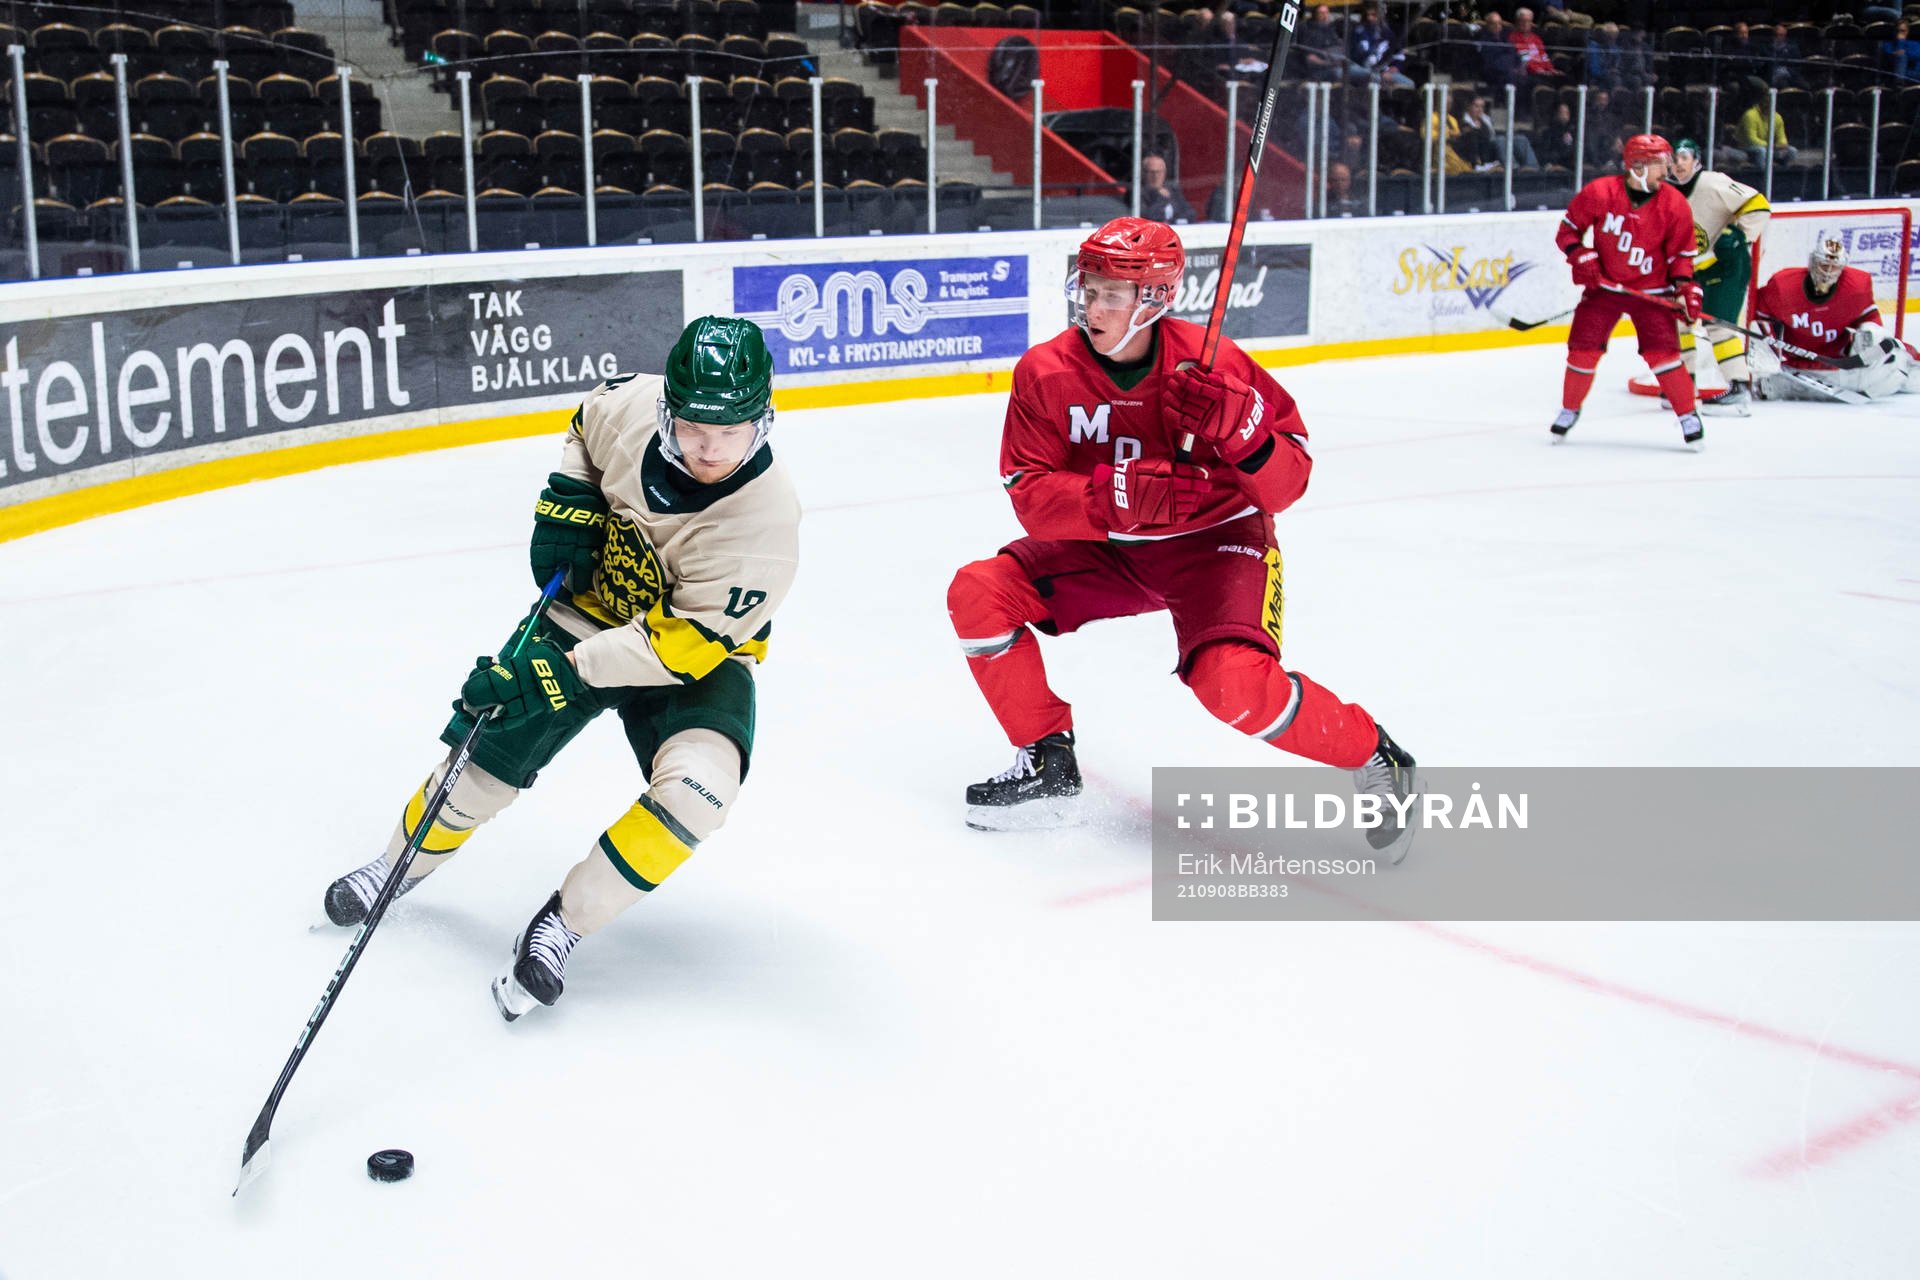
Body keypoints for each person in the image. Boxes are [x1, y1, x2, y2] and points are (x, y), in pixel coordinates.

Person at [321, 317, 802, 1021]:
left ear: (762, 420)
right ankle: (397, 866)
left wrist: (558, 674)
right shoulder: (631, 406)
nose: (708, 446)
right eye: (694, 424)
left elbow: (672, 650)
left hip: (690, 655)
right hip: (585, 607)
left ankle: (564, 924)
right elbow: (585, 423)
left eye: (728, 430)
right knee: (482, 763)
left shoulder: (764, 527)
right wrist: (570, 498)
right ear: (668, 406)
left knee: (701, 792)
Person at [945, 216, 1418, 857]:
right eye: (1088, 287)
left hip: (1218, 547)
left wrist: (1246, 433)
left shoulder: (1213, 361)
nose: (1092, 304)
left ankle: (1378, 754)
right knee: (980, 592)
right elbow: (1028, 492)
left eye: (1113, 292)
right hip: (1113, 548)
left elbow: (1290, 481)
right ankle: (1046, 763)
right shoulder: (1044, 371)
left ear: (1157, 298)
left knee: (1233, 685)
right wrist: (1112, 497)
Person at [1550, 134, 1706, 449]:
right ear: (1637, 166)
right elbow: (1568, 232)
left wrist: (1685, 288)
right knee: (1583, 350)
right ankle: (1569, 409)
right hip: (1604, 288)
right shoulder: (1600, 192)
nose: (1668, 169)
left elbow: (1681, 257)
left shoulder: (1674, 203)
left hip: (1653, 290)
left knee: (1663, 356)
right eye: (1660, 163)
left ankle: (1688, 415)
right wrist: (1581, 255)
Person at [1664, 138, 1770, 415]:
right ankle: (1684, 384)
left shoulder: (1713, 183)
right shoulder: (1667, 192)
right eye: (1673, 159)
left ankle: (1738, 387)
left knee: (1719, 325)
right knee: (1681, 322)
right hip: (1695, 269)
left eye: (1683, 157)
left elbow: (1758, 204)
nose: (1678, 164)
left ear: (1697, 160)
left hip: (1726, 266)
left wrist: (1737, 237)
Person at [1752, 236, 1920, 401]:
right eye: (1824, 266)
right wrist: (1770, 355)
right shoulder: (1784, 286)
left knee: (1893, 359)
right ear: (1812, 264)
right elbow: (1757, 318)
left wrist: (1873, 341)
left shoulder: (1856, 287)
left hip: (1838, 359)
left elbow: (1872, 321)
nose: (1827, 273)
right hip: (1794, 359)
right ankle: (1780, 383)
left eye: (1834, 268)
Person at [1348, 4, 1415, 88]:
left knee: (1409, 84)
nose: (1370, 18)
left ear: (1381, 15)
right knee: (1375, 79)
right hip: (1363, 70)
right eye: (1367, 15)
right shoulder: (1358, 32)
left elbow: (1398, 56)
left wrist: (1395, 67)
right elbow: (1354, 56)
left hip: (1383, 71)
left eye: (1373, 15)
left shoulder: (1388, 34)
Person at [1737, 98, 1796, 168]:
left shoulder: (1777, 117)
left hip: (1769, 147)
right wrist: (1770, 145)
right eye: (1766, 104)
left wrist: (1782, 144)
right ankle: (1761, 172)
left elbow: (1781, 137)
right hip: (1747, 147)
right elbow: (1751, 139)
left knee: (1792, 150)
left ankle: (1783, 170)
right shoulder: (1750, 115)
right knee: (1761, 151)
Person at [1138, 153, 1195, 224]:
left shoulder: (1173, 190)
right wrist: (1160, 197)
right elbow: (1149, 216)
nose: (1156, 176)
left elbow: (1190, 214)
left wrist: (1173, 222)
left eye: (1159, 172)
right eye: (1152, 172)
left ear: (1164, 173)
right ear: (1144, 173)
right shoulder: (1138, 194)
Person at [1509, 8, 1564, 80]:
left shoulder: (1536, 38)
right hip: (1529, 74)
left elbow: (1544, 57)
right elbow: (1525, 60)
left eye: (1529, 21)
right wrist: (1539, 70)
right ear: (1517, 22)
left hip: (1543, 72)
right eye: (1523, 21)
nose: (1526, 24)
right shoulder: (1513, 38)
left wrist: (1551, 70)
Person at [1297, 3, 1347, 83]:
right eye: (1321, 13)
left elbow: (1340, 49)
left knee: (1363, 73)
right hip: (1315, 71)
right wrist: (1328, 64)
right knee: (1339, 73)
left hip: (1337, 65)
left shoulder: (1331, 30)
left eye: (1326, 13)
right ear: (1314, 15)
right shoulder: (1307, 31)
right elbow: (1309, 58)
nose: (1325, 16)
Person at [1534, 102, 1577, 169]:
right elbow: (1544, 154)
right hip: (1553, 167)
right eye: (1561, 113)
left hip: (1570, 167)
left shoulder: (1574, 132)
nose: (1564, 116)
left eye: (1567, 113)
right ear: (1556, 114)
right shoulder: (1548, 133)